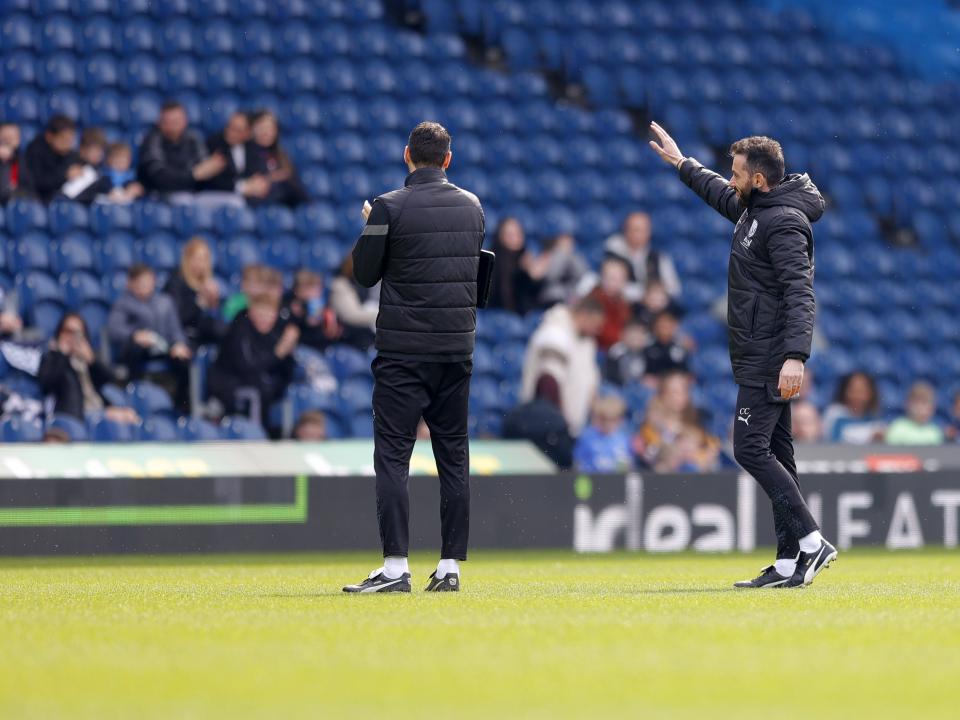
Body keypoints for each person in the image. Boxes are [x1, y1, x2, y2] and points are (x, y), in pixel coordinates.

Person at [650, 121, 836, 589]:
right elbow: (719, 194)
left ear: (759, 178)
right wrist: (682, 163)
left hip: (771, 355)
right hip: (759, 349)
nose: (730, 178)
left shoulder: (784, 222)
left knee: (748, 448)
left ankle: (813, 542)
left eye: (737, 173)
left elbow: (800, 292)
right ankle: (790, 562)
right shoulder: (757, 209)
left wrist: (795, 356)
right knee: (777, 452)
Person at [342, 122, 484, 594]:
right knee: (454, 458)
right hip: (455, 350)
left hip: (404, 352)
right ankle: (450, 569)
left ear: (408, 155)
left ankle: (395, 567)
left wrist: (371, 228)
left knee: (393, 457)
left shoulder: (387, 207)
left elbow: (364, 275)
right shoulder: (472, 206)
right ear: (448, 159)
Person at [106, 264, 192, 411]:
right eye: (140, 283)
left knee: (183, 359)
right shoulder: (123, 303)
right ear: (130, 284)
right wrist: (135, 334)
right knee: (134, 349)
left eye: (147, 282)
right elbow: (114, 329)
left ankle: (182, 409)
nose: (144, 286)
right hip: (138, 351)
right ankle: (135, 401)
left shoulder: (165, 302)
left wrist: (179, 344)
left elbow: (175, 330)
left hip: (163, 349)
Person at [208, 292, 298, 430]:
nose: (265, 318)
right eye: (261, 313)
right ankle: (258, 438)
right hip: (229, 382)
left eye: (269, 314)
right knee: (259, 391)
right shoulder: (240, 328)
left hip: (259, 382)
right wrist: (278, 353)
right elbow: (247, 366)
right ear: (251, 312)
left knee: (289, 389)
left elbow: (286, 369)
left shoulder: (276, 331)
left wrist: (289, 349)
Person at [520, 296, 605, 436]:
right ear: (584, 315)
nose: (597, 330)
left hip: (568, 425)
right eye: (595, 324)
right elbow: (548, 383)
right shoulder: (556, 331)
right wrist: (558, 423)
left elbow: (591, 379)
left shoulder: (587, 341)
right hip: (547, 424)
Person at [37, 312, 139, 425]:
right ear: (59, 333)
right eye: (68, 331)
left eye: (78, 333)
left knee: (131, 416)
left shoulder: (86, 359)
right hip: (75, 414)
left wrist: (92, 361)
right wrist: (62, 354)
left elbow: (110, 379)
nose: (72, 337)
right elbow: (47, 384)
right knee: (118, 418)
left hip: (98, 410)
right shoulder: (51, 357)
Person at [137, 101, 227, 199]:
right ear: (160, 122)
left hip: (195, 193)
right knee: (183, 199)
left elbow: (205, 169)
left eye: (175, 121)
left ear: (185, 120)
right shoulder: (152, 141)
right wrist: (193, 175)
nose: (171, 127)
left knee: (232, 202)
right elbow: (161, 179)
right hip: (161, 195)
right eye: (166, 122)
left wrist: (211, 168)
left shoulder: (193, 138)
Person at [604, 211, 682, 300]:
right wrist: (643, 293)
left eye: (643, 230)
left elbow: (674, 289)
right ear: (625, 230)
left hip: (652, 307)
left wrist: (657, 292)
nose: (638, 234)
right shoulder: (613, 253)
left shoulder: (658, 257)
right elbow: (612, 286)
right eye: (635, 229)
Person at [164, 237, 226, 349]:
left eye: (205, 259)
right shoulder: (176, 282)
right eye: (197, 259)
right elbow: (178, 318)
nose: (201, 264)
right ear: (187, 259)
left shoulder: (208, 282)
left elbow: (215, 316)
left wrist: (214, 301)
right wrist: (200, 303)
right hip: (183, 333)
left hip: (203, 331)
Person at [502, 374, 574, 469]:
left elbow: (505, 443)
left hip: (516, 473)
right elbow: (566, 458)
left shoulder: (518, 414)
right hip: (548, 478)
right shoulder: (558, 419)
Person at [633, 371, 701, 469]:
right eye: (674, 392)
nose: (678, 397)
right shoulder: (651, 425)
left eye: (682, 392)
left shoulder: (693, 426)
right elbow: (646, 454)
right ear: (662, 394)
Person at [205, 111, 270, 202]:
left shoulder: (253, 147)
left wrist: (258, 183)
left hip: (249, 196)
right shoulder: (214, 144)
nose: (231, 133)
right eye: (229, 127)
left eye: (237, 130)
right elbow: (214, 180)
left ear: (248, 133)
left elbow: (260, 171)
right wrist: (243, 187)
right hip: (219, 195)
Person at [249, 109, 309, 207]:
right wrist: (270, 178)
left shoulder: (281, 155)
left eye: (270, 128)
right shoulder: (246, 153)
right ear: (252, 129)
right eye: (262, 127)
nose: (266, 132)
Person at [20, 114, 82, 203]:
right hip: (39, 199)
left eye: (70, 140)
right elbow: (38, 182)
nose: (67, 143)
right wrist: (65, 176)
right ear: (49, 136)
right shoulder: (36, 150)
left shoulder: (71, 154)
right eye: (63, 139)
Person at [487, 217, 540, 314]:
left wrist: (530, 275)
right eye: (509, 234)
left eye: (517, 234)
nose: (515, 238)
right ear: (500, 236)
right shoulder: (492, 261)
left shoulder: (526, 260)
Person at [282, 269, 342, 351]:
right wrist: (297, 317)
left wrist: (332, 329)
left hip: (321, 349)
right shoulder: (287, 306)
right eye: (306, 289)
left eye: (315, 289)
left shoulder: (327, 308)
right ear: (297, 290)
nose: (310, 294)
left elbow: (335, 336)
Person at [328, 254, 378, 351]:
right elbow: (352, 316)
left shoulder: (371, 282)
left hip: (371, 336)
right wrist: (387, 314)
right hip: (351, 340)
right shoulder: (340, 284)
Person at [585, 255, 633, 351]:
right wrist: (624, 339)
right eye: (611, 278)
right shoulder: (594, 299)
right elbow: (597, 331)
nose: (615, 283)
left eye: (620, 279)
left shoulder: (623, 302)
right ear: (602, 278)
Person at [573, 395, 633, 472]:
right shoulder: (587, 437)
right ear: (598, 418)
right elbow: (578, 464)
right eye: (604, 419)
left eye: (613, 420)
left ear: (620, 420)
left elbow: (626, 468)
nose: (607, 424)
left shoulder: (624, 440)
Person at [822, 371, 886, 443]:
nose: (857, 395)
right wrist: (870, 434)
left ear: (871, 393)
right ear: (845, 391)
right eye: (854, 390)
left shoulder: (874, 418)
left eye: (862, 390)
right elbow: (834, 439)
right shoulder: (834, 413)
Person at [532, 233, 589, 308]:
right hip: (551, 300)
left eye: (569, 239)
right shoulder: (548, 256)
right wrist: (561, 254)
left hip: (571, 297)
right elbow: (551, 276)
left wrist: (568, 255)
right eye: (564, 239)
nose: (568, 242)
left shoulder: (575, 257)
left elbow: (584, 275)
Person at [643, 311, 690, 379]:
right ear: (655, 327)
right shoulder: (647, 347)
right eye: (662, 325)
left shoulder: (682, 346)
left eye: (668, 325)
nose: (665, 329)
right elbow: (645, 374)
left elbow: (686, 372)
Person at [604, 317, 649, 386]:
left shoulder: (645, 352)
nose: (639, 337)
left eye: (642, 333)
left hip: (636, 387)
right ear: (623, 335)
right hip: (616, 386)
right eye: (634, 333)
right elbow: (612, 376)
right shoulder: (618, 351)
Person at [0, 122, 22, 203]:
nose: (9, 142)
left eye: (12, 138)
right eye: (5, 138)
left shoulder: (23, 159)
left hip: (16, 201)